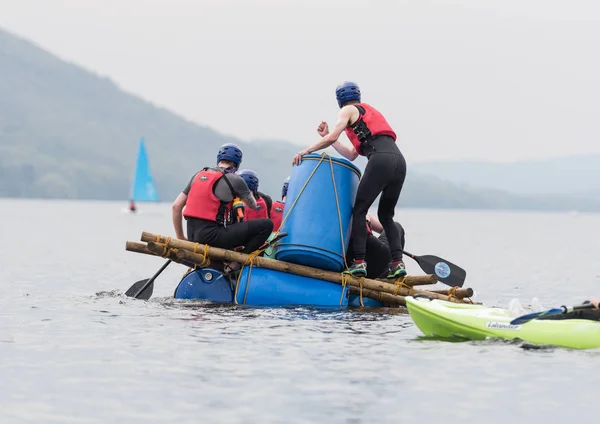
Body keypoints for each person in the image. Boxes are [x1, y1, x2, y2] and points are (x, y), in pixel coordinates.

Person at [292, 81, 407, 279]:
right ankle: (397, 263)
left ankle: (359, 262)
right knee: (386, 215)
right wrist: (329, 136)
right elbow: (352, 154)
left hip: (380, 159)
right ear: (358, 95)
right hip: (399, 162)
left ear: (339, 100)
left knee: (359, 211)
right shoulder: (368, 112)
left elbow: (332, 138)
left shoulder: (347, 110)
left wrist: (307, 150)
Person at [171, 144, 274, 264]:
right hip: (213, 236)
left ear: (218, 160)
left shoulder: (198, 175)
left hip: (192, 234)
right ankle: (238, 262)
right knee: (267, 225)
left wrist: (181, 238)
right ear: (237, 164)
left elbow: (176, 206)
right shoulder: (235, 180)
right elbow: (253, 205)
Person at [345, 215, 406, 279]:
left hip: (350, 263)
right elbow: (387, 227)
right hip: (381, 259)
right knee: (396, 225)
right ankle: (395, 264)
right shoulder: (359, 213)